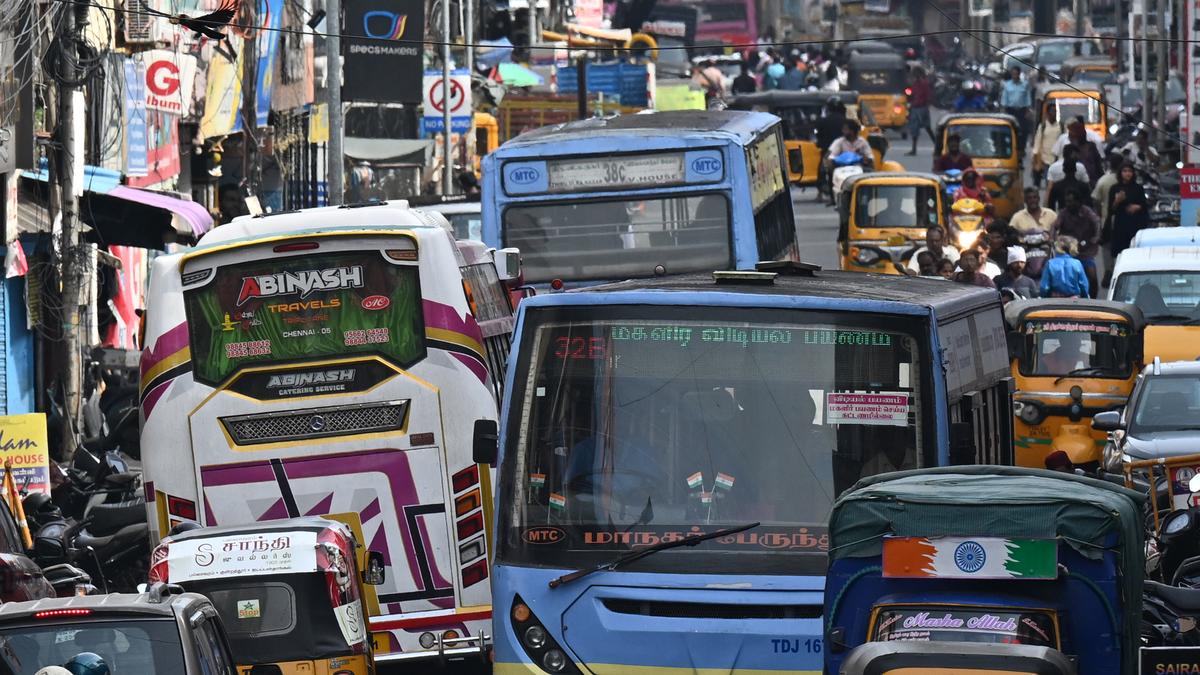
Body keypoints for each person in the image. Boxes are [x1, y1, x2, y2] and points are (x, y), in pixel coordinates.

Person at [1051, 187, 1101, 297]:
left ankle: (1094, 299)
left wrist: (1096, 236)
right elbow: (1054, 227)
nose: (1069, 204)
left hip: (1085, 250)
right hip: (1068, 252)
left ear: (1078, 201)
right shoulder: (1063, 213)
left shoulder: (1086, 211)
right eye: (1067, 201)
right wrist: (1053, 239)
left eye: (1071, 201)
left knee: (1092, 276)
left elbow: (1096, 222)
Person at [1107, 161, 1150, 258]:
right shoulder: (1114, 188)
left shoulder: (1138, 188)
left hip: (1135, 224)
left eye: (1130, 171)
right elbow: (1111, 210)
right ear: (1120, 173)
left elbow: (1144, 206)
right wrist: (1117, 201)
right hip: (1121, 226)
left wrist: (1137, 207)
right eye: (1125, 171)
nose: (1127, 174)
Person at [1052, 119, 1104, 188]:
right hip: (1073, 184)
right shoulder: (1069, 148)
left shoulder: (1091, 147)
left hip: (1091, 183)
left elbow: (1098, 166)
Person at [999, 67, 1031, 152]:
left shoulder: (1025, 84)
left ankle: (1022, 148)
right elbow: (1004, 98)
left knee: (1024, 130)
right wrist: (1003, 110)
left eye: (1016, 74)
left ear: (1019, 74)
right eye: (1013, 74)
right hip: (1010, 110)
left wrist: (1028, 110)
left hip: (1021, 110)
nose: (1014, 76)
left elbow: (1027, 97)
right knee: (1008, 129)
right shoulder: (1007, 85)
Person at [1031, 104, 1063, 187]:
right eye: (1052, 111)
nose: (1054, 114)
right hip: (1045, 160)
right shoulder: (1043, 127)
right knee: (1048, 183)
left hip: (1057, 159)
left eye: (1055, 112)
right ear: (1048, 113)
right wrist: (1035, 158)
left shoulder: (1060, 127)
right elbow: (1037, 143)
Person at [906, 67, 935, 155]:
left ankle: (914, 149)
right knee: (924, 128)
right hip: (918, 107)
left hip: (920, 108)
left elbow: (927, 96)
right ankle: (914, 149)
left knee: (921, 128)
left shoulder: (922, 84)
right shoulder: (917, 84)